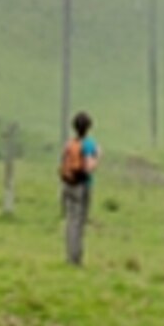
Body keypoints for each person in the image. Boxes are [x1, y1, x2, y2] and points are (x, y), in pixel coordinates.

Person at [58, 109, 99, 265]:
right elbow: (89, 167)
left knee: (70, 220)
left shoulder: (69, 144)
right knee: (80, 221)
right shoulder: (88, 145)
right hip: (82, 185)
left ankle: (69, 255)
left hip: (67, 183)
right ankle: (76, 258)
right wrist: (97, 157)